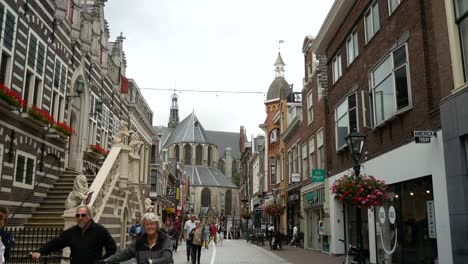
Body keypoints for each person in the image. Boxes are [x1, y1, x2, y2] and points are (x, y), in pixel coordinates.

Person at [31, 205, 116, 264]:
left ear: (89, 216)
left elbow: (112, 248)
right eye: (77, 215)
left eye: (83, 215)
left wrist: (104, 261)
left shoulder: (100, 230)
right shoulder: (72, 232)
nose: (80, 218)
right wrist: (40, 252)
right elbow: (56, 243)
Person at [103, 213, 173, 264]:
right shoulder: (139, 242)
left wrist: (151, 262)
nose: (149, 226)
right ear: (144, 227)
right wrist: (107, 260)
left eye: (152, 224)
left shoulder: (164, 240)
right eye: (147, 224)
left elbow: (167, 258)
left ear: (157, 225)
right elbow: (124, 254)